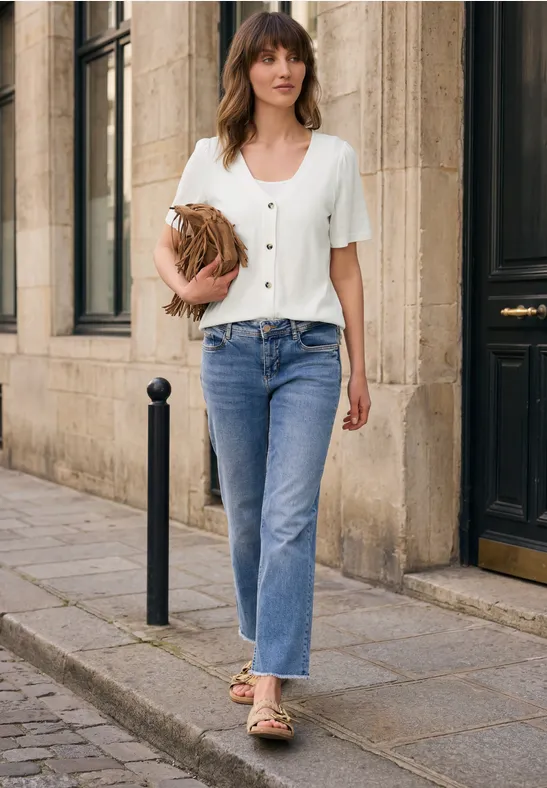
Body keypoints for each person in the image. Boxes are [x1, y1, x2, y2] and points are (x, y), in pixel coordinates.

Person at [153, 10, 371, 742]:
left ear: (307, 69)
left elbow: (346, 267)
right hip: (231, 353)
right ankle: (260, 646)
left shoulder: (334, 158)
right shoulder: (209, 157)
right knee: (246, 515)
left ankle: (270, 684)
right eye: (268, 58)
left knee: (288, 518)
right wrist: (186, 289)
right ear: (245, 70)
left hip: (311, 353)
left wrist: (361, 368)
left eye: (294, 57)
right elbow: (164, 242)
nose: (284, 70)